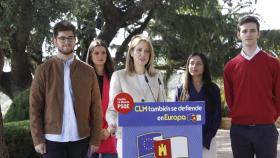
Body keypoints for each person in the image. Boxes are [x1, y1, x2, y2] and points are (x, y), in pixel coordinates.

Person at [29, 20, 102, 158]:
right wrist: (37, 139)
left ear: (75, 40)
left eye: (70, 38)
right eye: (62, 38)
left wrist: (95, 138)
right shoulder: (43, 70)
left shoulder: (88, 71)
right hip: (52, 140)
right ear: (55, 41)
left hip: (82, 139)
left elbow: (96, 107)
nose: (66, 42)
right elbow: (35, 106)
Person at [223, 15, 280, 158]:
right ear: (238, 34)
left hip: (266, 128)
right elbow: (230, 98)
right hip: (239, 130)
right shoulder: (230, 66)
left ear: (258, 33)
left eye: (252, 30)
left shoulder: (273, 63)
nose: (248, 34)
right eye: (244, 31)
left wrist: (270, 116)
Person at [105, 34, 166, 157]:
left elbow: (163, 106)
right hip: (127, 136)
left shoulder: (157, 76)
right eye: (139, 50)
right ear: (131, 52)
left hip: (153, 135)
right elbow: (112, 109)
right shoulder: (119, 76)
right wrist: (113, 123)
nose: (143, 54)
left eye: (146, 51)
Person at [174, 53, 221, 158]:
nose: (194, 66)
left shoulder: (213, 89)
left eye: (198, 64)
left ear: (204, 67)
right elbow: (175, 117)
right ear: (188, 66)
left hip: (207, 141)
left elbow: (217, 117)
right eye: (191, 63)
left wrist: (205, 139)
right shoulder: (180, 90)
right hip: (186, 141)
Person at [86, 39, 117, 158]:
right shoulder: (83, 79)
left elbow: (120, 106)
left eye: (103, 53)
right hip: (89, 135)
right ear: (90, 55)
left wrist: (109, 130)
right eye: (96, 53)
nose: (100, 56)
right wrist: (93, 132)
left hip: (110, 133)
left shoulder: (115, 78)